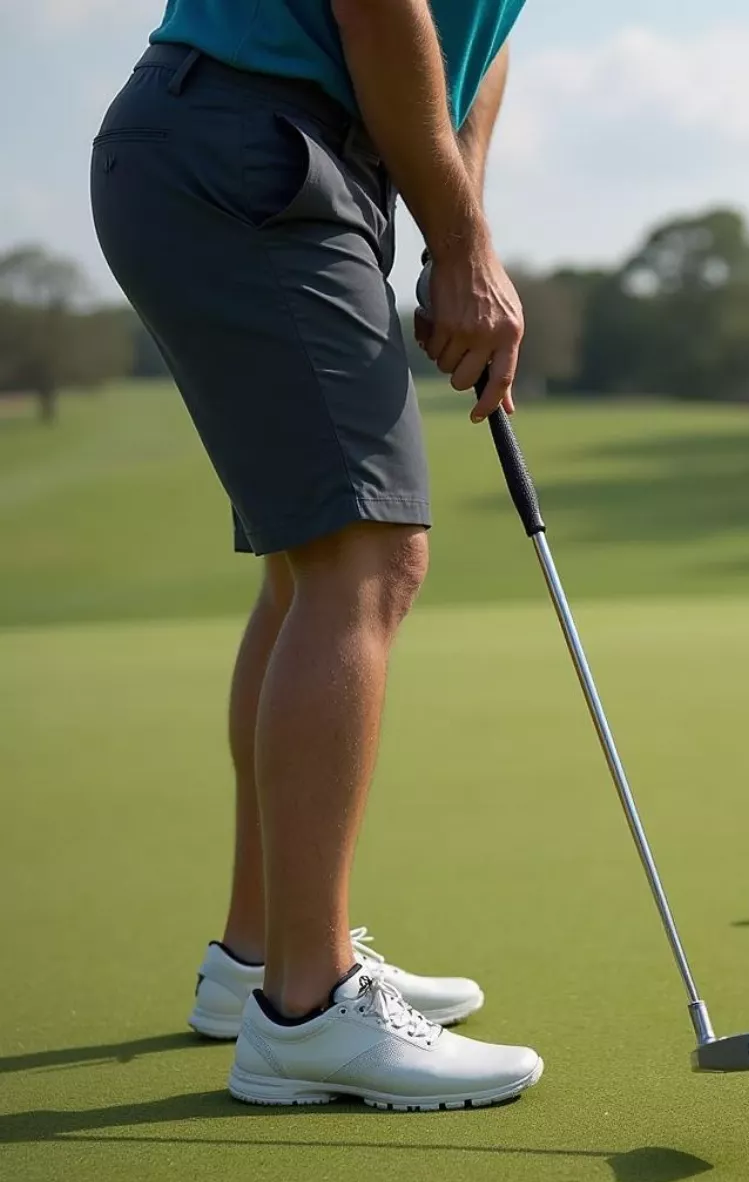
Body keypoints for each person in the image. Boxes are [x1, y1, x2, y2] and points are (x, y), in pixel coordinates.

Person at [90, 0, 541, 1111]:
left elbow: (480, 46)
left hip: (259, 149)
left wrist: (457, 224)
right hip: (255, 145)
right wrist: (462, 244)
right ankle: (306, 1008)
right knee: (367, 557)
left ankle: (261, 960)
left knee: (309, 565)